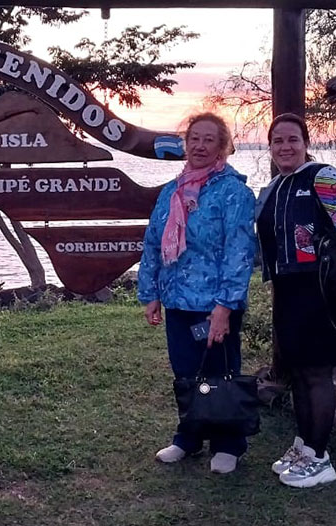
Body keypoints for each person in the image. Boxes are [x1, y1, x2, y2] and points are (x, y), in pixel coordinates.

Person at [257, 112, 336, 488]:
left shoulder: (322, 176)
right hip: (289, 291)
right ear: (270, 147)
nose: (285, 146)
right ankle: (305, 447)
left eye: (293, 139)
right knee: (300, 372)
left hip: (322, 289)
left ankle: (321, 459)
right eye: (278, 141)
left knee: (319, 372)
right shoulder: (274, 187)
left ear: (305, 143)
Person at [138, 112, 256, 474]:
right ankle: (188, 438)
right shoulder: (172, 191)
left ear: (223, 147)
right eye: (194, 139)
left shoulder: (234, 192)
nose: (200, 146)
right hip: (177, 300)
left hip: (215, 305)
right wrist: (151, 293)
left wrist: (224, 306)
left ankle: (228, 443)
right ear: (185, 144)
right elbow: (154, 243)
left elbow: (240, 251)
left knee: (218, 373)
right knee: (186, 374)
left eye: (209, 139)